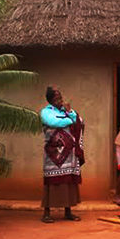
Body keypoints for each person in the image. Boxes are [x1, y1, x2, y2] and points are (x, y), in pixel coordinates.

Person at [40, 86, 84, 223]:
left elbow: (79, 120)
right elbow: (53, 122)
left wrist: (70, 112)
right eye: (57, 98)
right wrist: (70, 120)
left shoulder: (65, 110)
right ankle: (46, 213)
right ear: (50, 100)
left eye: (60, 97)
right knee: (51, 183)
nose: (60, 100)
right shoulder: (46, 112)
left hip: (69, 155)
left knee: (68, 182)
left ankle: (68, 212)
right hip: (53, 154)